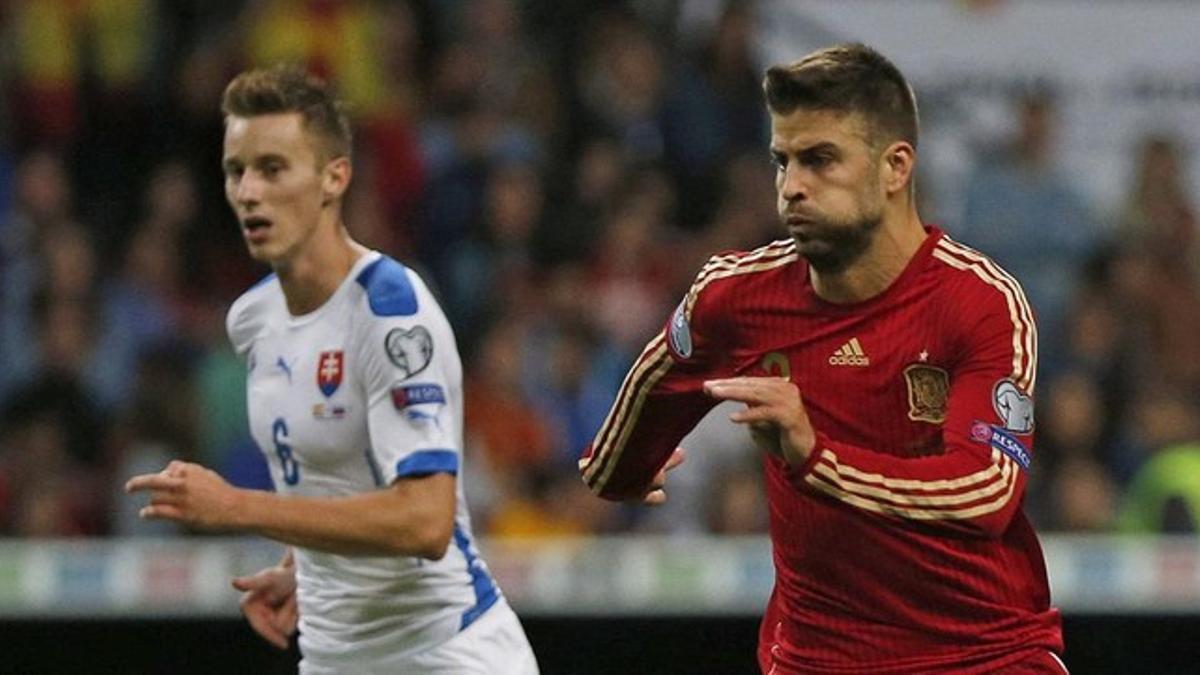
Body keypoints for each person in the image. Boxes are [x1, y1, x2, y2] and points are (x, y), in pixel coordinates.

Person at [579, 44, 1065, 673]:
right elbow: (632, 422)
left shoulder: (978, 302)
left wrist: (814, 454)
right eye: (782, 161)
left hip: (982, 655)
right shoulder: (734, 297)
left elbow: (985, 492)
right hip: (817, 660)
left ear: (895, 168)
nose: (791, 188)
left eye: (820, 160)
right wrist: (620, 469)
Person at [126, 65, 538, 674]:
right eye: (236, 171)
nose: (248, 192)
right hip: (333, 657)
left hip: (446, 654)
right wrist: (305, 568)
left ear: (333, 176)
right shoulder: (253, 319)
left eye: (272, 168)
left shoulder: (391, 314)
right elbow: (333, 481)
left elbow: (424, 520)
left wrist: (238, 506)